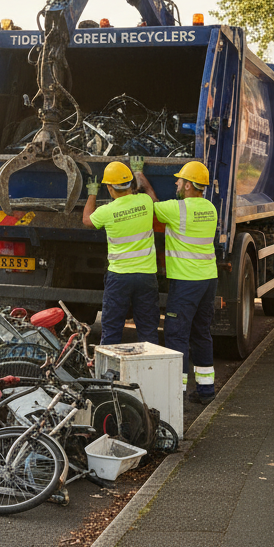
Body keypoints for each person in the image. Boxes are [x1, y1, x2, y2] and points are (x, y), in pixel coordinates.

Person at [147, 161, 219, 403]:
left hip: (186, 282)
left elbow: (152, 207)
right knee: (201, 333)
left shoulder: (178, 209)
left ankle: (176, 394)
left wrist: (142, 180)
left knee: (177, 335)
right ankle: (206, 390)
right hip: (208, 280)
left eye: (180, 180)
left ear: (188, 186)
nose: (176, 183)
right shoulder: (210, 208)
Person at [83, 157, 158, 345]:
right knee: (148, 328)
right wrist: (140, 172)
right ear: (131, 183)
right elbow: (152, 196)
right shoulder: (145, 202)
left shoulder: (106, 211)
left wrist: (92, 193)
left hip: (119, 278)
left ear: (109, 188)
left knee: (111, 329)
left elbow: (87, 220)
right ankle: (149, 372)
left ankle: (109, 373)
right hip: (146, 276)